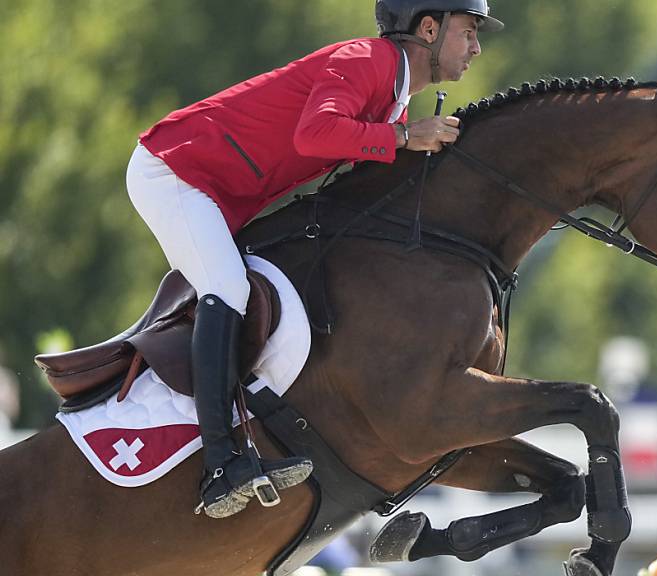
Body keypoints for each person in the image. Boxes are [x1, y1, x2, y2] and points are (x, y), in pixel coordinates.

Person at [125, 0, 503, 519]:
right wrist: (400, 137)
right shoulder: (368, 60)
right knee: (229, 289)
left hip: (220, 191)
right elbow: (314, 134)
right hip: (176, 171)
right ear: (430, 28)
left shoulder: (394, 100)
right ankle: (219, 466)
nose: (477, 47)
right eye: (469, 31)